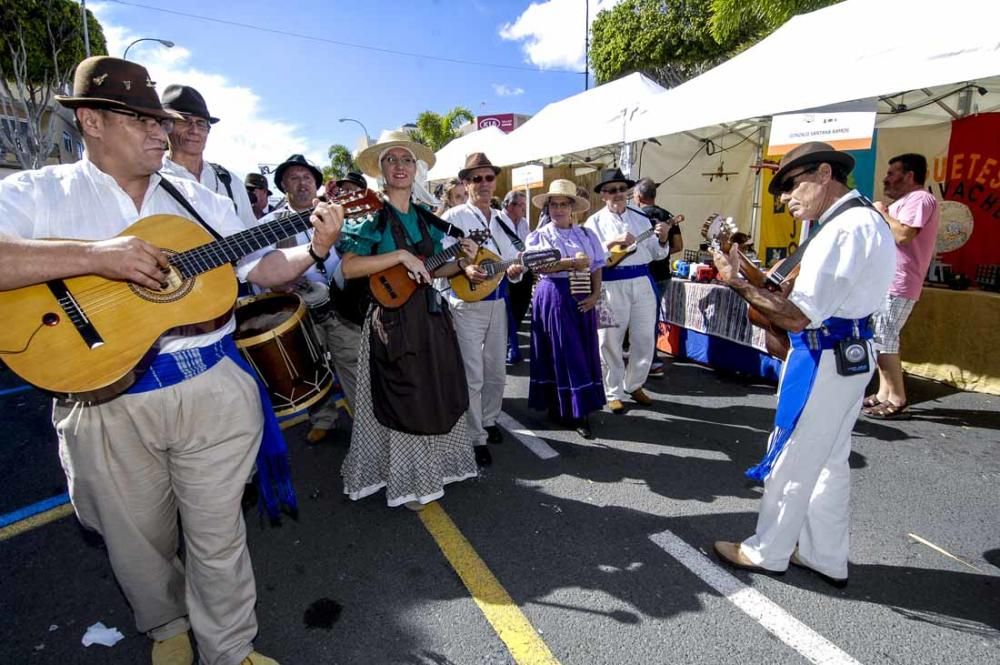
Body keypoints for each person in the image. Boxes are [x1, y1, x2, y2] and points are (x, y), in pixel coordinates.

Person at [0, 57, 344, 665]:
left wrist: (314, 247)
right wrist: (95, 257)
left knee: (218, 536)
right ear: (91, 121)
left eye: (161, 120)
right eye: (141, 120)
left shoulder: (197, 198)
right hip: (104, 406)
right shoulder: (37, 193)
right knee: (138, 545)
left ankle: (230, 648)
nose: (161, 132)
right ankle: (165, 626)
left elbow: (259, 270)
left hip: (210, 389)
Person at [711, 141, 895, 588]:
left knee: (793, 455)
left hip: (824, 357)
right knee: (829, 459)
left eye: (793, 185)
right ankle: (824, 556)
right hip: (847, 354)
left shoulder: (843, 229)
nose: (785, 198)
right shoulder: (861, 219)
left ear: (825, 175)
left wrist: (735, 281)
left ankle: (766, 551)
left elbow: (796, 314)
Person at [338, 129, 478, 510]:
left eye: (406, 160)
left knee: (435, 391)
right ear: (381, 169)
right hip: (392, 320)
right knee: (405, 398)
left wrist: (464, 260)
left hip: (430, 317)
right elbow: (349, 268)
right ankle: (406, 478)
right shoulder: (368, 216)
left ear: (415, 169)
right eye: (391, 160)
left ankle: (435, 471)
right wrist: (398, 257)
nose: (399, 166)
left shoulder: (427, 218)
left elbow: (436, 269)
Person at [261, 155, 354, 444]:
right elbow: (256, 269)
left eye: (307, 177)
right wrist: (279, 283)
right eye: (294, 178)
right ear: (283, 185)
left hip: (341, 304)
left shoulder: (338, 213)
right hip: (298, 310)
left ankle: (367, 420)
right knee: (310, 366)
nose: (302, 183)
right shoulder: (270, 224)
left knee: (353, 360)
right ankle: (323, 419)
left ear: (316, 184)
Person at [441, 153, 526, 466]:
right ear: (466, 182)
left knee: (496, 370)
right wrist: (463, 268)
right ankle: (474, 436)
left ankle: (489, 420)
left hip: (499, 300)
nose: (484, 184)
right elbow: (441, 260)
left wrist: (517, 270)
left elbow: (513, 260)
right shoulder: (454, 217)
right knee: (472, 373)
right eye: (476, 178)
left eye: (489, 177)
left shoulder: (503, 219)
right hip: (466, 303)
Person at [584, 168, 672, 414]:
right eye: (612, 190)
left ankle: (634, 384)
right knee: (609, 339)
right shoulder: (594, 222)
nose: (618, 194)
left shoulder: (641, 217)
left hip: (642, 280)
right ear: (603, 195)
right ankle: (612, 391)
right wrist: (610, 244)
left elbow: (657, 253)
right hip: (609, 284)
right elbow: (588, 257)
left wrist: (663, 239)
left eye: (622, 189)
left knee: (644, 337)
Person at [525, 179, 605, 439]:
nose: (558, 209)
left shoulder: (586, 234)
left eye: (563, 204)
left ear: (572, 207)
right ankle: (570, 411)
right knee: (561, 351)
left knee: (582, 351)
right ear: (548, 208)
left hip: (581, 297)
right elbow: (539, 266)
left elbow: (596, 267)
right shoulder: (541, 235)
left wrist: (595, 294)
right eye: (553, 205)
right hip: (554, 295)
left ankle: (577, 407)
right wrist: (571, 262)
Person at [864, 153, 940, 419]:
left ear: (909, 176)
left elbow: (904, 234)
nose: (886, 178)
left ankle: (897, 397)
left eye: (892, 173)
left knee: (885, 338)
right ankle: (884, 393)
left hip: (899, 281)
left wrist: (882, 212)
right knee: (883, 338)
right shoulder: (906, 202)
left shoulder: (921, 199)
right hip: (888, 280)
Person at [159, 84, 257, 231]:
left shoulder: (229, 182)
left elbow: (253, 238)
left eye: (201, 123)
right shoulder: (151, 177)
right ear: (166, 126)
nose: (194, 130)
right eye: (184, 121)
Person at [633, 177, 684, 378]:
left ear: (638, 196)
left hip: (640, 274)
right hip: (662, 274)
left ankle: (650, 360)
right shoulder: (667, 215)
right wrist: (662, 250)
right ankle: (649, 358)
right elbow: (679, 246)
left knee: (638, 319)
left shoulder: (635, 217)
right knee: (650, 318)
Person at [499, 189, 532, 364]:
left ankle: (510, 343)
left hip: (524, 273)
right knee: (506, 313)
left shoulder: (524, 223)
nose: (524, 209)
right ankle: (506, 345)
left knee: (520, 309)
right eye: (521, 205)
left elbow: (527, 246)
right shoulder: (498, 220)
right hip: (505, 273)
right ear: (509, 205)